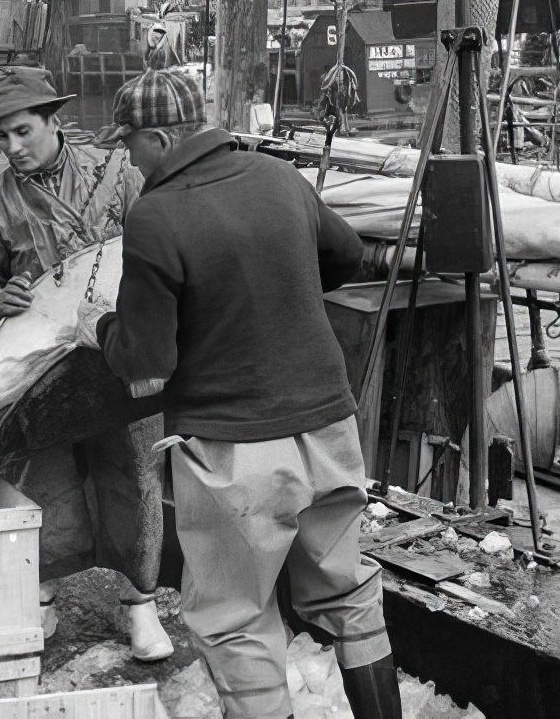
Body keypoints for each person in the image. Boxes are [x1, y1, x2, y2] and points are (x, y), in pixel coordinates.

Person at [84, 68, 402, 719]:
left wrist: (103, 326)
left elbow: (148, 358)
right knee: (346, 589)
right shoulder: (277, 177)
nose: (126, 159)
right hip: (328, 427)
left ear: (161, 139)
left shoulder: (157, 215)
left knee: (235, 621)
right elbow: (344, 256)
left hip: (235, 450)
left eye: (129, 145)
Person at [0, 65, 173, 662]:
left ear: (55, 121)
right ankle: (44, 592)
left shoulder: (121, 173)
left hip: (123, 349)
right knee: (43, 472)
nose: (12, 146)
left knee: (135, 472)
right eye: (2, 137)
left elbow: (159, 249)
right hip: (44, 365)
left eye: (22, 131)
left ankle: (142, 604)